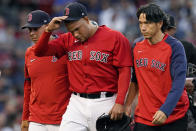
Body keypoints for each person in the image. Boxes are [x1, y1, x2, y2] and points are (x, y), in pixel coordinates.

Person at [33, 2, 132, 131]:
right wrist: (48, 31)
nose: (75, 34)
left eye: (77, 29)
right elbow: (39, 51)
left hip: (105, 101)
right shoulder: (67, 39)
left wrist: (120, 102)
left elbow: (125, 71)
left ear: (86, 19)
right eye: (71, 31)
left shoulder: (115, 37)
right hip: (76, 103)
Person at [125, 3, 189, 131]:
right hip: (144, 117)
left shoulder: (175, 47)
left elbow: (179, 83)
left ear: (159, 23)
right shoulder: (136, 46)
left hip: (173, 116)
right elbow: (135, 79)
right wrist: (127, 105)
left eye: (147, 23)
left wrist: (165, 110)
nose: (143, 28)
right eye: (140, 23)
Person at [20, 10, 71, 131]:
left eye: (35, 29)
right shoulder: (29, 53)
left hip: (62, 118)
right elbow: (28, 87)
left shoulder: (64, 47)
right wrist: (25, 118)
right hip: (36, 119)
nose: (32, 33)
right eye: (29, 30)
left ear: (48, 26)